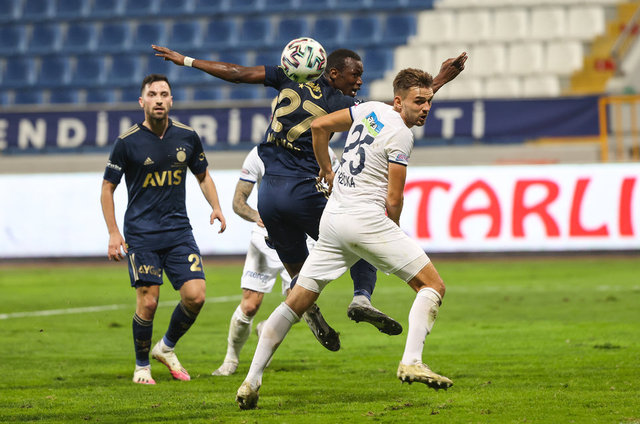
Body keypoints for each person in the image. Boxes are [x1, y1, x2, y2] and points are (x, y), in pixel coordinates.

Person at [152, 44, 465, 352]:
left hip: (269, 195)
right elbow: (395, 112)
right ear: (333, 73)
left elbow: (236, 73)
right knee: (360, 240)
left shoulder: (285, 77)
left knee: (301, 276)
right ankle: (361, 297)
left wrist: (186, 59)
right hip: (304, 191)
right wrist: (439, 79)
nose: (359, 82)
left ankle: (305, 311)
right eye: (355, 75)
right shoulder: (339, 101)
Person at [236, 66, 466, 409]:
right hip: (366, 220)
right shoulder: (402, 135)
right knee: (432, 286)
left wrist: (326, 169)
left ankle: (251, 381)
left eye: (429, 101)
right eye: (420, 102)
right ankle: (412, 360)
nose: (426, 108)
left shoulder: (370, 109)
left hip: (333, 219)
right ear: (399, 101)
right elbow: (393, 198)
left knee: (296, 302)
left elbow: (319, 126)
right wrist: (393, 229)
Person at [100, 74, 227, 385]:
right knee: (149, 301)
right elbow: (107, 188)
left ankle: (166, 347)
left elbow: (203, 175)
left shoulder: (187, 136)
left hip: (178, 231)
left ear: (171, 100)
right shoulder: (127, 142)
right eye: (152, 94)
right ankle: (142, 367)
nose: (158, 99)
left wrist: (216, 206)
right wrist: (114, 233)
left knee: (196, 296)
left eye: (164, 94)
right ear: (141, 101)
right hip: (141, 234)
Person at [212, 144, 337, 376]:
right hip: (266, 237)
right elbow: (238, 202)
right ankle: (231, 359)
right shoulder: (260, 153)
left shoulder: (324, 151)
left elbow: (336, 190)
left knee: (298, 303)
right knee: (250, 305)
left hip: (305, 239)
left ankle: (267, 328)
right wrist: (257, 215)